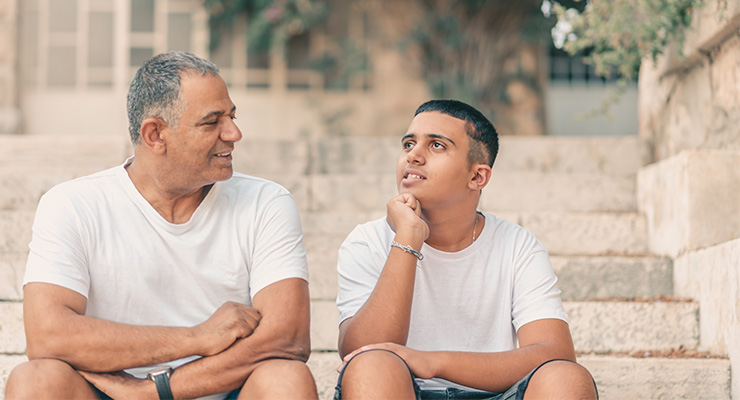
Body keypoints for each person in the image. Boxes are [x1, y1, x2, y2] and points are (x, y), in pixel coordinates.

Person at [5, 51, 317, 400]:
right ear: (155, 135)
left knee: (286, 379)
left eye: (231, 115)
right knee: (35, 381)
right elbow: (48, 337)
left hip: (222, 392)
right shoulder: (73, 205)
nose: (234, 133)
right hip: (110, 393)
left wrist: (155, 390)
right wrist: (197, 337)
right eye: (212, 121)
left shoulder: (266, 202)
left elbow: (287, 337)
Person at [333, 100, 598, 400]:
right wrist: (407, 238)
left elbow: (554, 353)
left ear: (477, 177)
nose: (413, 156)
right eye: (408, 143)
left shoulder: (518, 247)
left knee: (565, 378)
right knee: (372, 368)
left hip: (497, 394)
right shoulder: (367, 241)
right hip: (402, 391)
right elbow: (362, 353)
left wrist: (433, 362)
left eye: (436, 146)